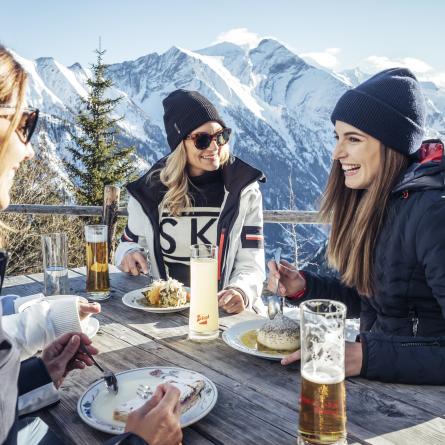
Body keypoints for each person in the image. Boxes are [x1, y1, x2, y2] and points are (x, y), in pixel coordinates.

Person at [0, 45, 182, 445]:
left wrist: (36, 373)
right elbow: (128, 242)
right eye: (23, 124)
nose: (29, 149)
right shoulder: (151, 189)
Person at [268, 67, 445, 384]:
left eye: (353, 139)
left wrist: (364, 356)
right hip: (384, 384)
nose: (337, 153)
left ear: (391, 144)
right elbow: (375, 297)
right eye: (338, 137)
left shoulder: (434, 214)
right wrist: (305, 287)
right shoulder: (383, 199)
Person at [116, 89, 265, 314]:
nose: (215, 147)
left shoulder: (242, 189)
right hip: (166, 313)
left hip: (224, 312)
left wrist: (241, 290)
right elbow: (128, 243)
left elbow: (252, 262)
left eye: (221, 136)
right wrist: (128, 255)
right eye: (202, 140)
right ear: (180, 144)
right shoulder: (149, 191)